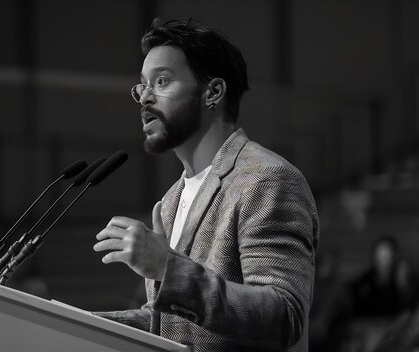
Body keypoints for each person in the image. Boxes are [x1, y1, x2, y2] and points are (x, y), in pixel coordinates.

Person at [93, 18, 319, 351]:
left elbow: (283, 315)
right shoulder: (172, 200)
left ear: (212, 92)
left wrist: (167, 269)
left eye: (163, 81)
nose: (145, 99)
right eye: (142, 86)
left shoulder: (267, 179)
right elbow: (172, 324)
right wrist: (62, 320)